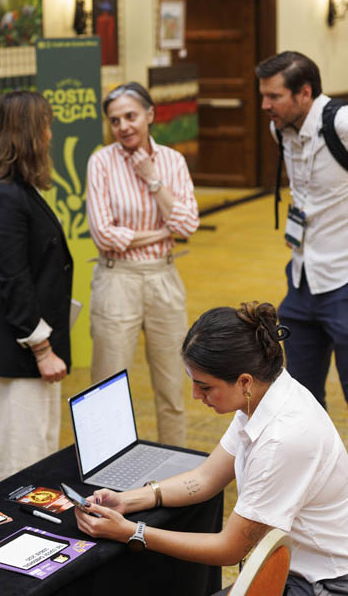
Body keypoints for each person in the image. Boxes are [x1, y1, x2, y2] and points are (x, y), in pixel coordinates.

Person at [75, 301, 348, 596]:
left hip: (324, 582)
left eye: (204, 387)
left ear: (244, 381)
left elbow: (228, 549)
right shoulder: (264, 393)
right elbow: (205, 478)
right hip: (294, 568)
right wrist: (127, 500)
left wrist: (133, 532)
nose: (195, 395)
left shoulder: (281, 440)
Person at [0, 90, 73, 485]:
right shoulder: (4, 196)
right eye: (45, 126)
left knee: (40, 450)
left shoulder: (19, 190)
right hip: (20, 351)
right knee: (19, 463)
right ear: (27, 133)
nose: (49, 135)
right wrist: (42, 349)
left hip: (31, 347)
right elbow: (13, 279)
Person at [86, 82, 199, 446]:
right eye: (115, 120)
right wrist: (163, 230)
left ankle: (177, 468)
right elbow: (104, 236)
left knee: (173, 388)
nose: (123, 126)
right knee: (107, 389)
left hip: (164, 277)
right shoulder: (101, 162)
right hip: (117, 280)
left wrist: (152, 179)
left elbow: (188, 225)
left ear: (150, 115)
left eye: (131, 116)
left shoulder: (172, 161)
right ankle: (106, 469)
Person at [258, 51, 348, 409]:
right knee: (302, 399)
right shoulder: (278, 129)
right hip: (301, 279)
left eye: (274, 96)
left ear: (305, 93)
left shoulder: (341, 123)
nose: (265, 105)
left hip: (344, 278)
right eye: (263, 95)